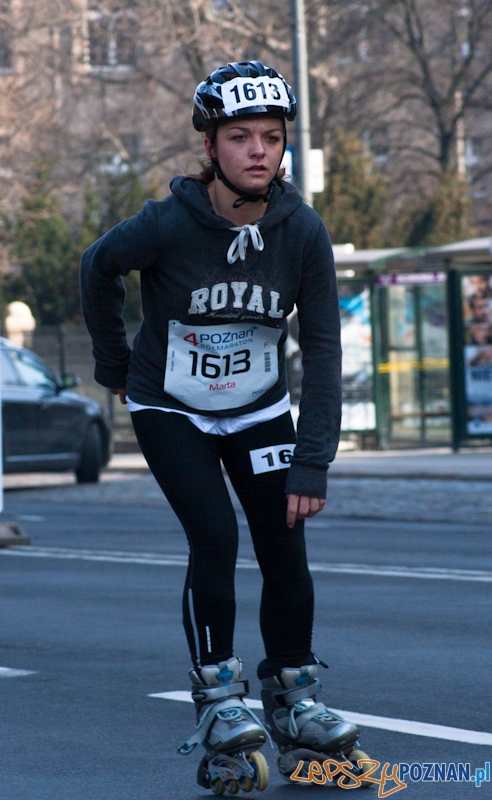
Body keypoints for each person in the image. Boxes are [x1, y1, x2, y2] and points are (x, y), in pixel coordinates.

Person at [80, 61, 369, 794]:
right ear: (208, 147)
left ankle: (296, 696)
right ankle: (216, 700)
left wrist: (314, 460)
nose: (257, 151)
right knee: (214, 536)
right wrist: (113, 363)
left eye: (271, 137)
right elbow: (97, 267)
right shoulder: (166, 223)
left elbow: (325, 347)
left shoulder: (301, 230)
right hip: (171, 407)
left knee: (284, 540)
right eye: (238, 136)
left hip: (260, 407)